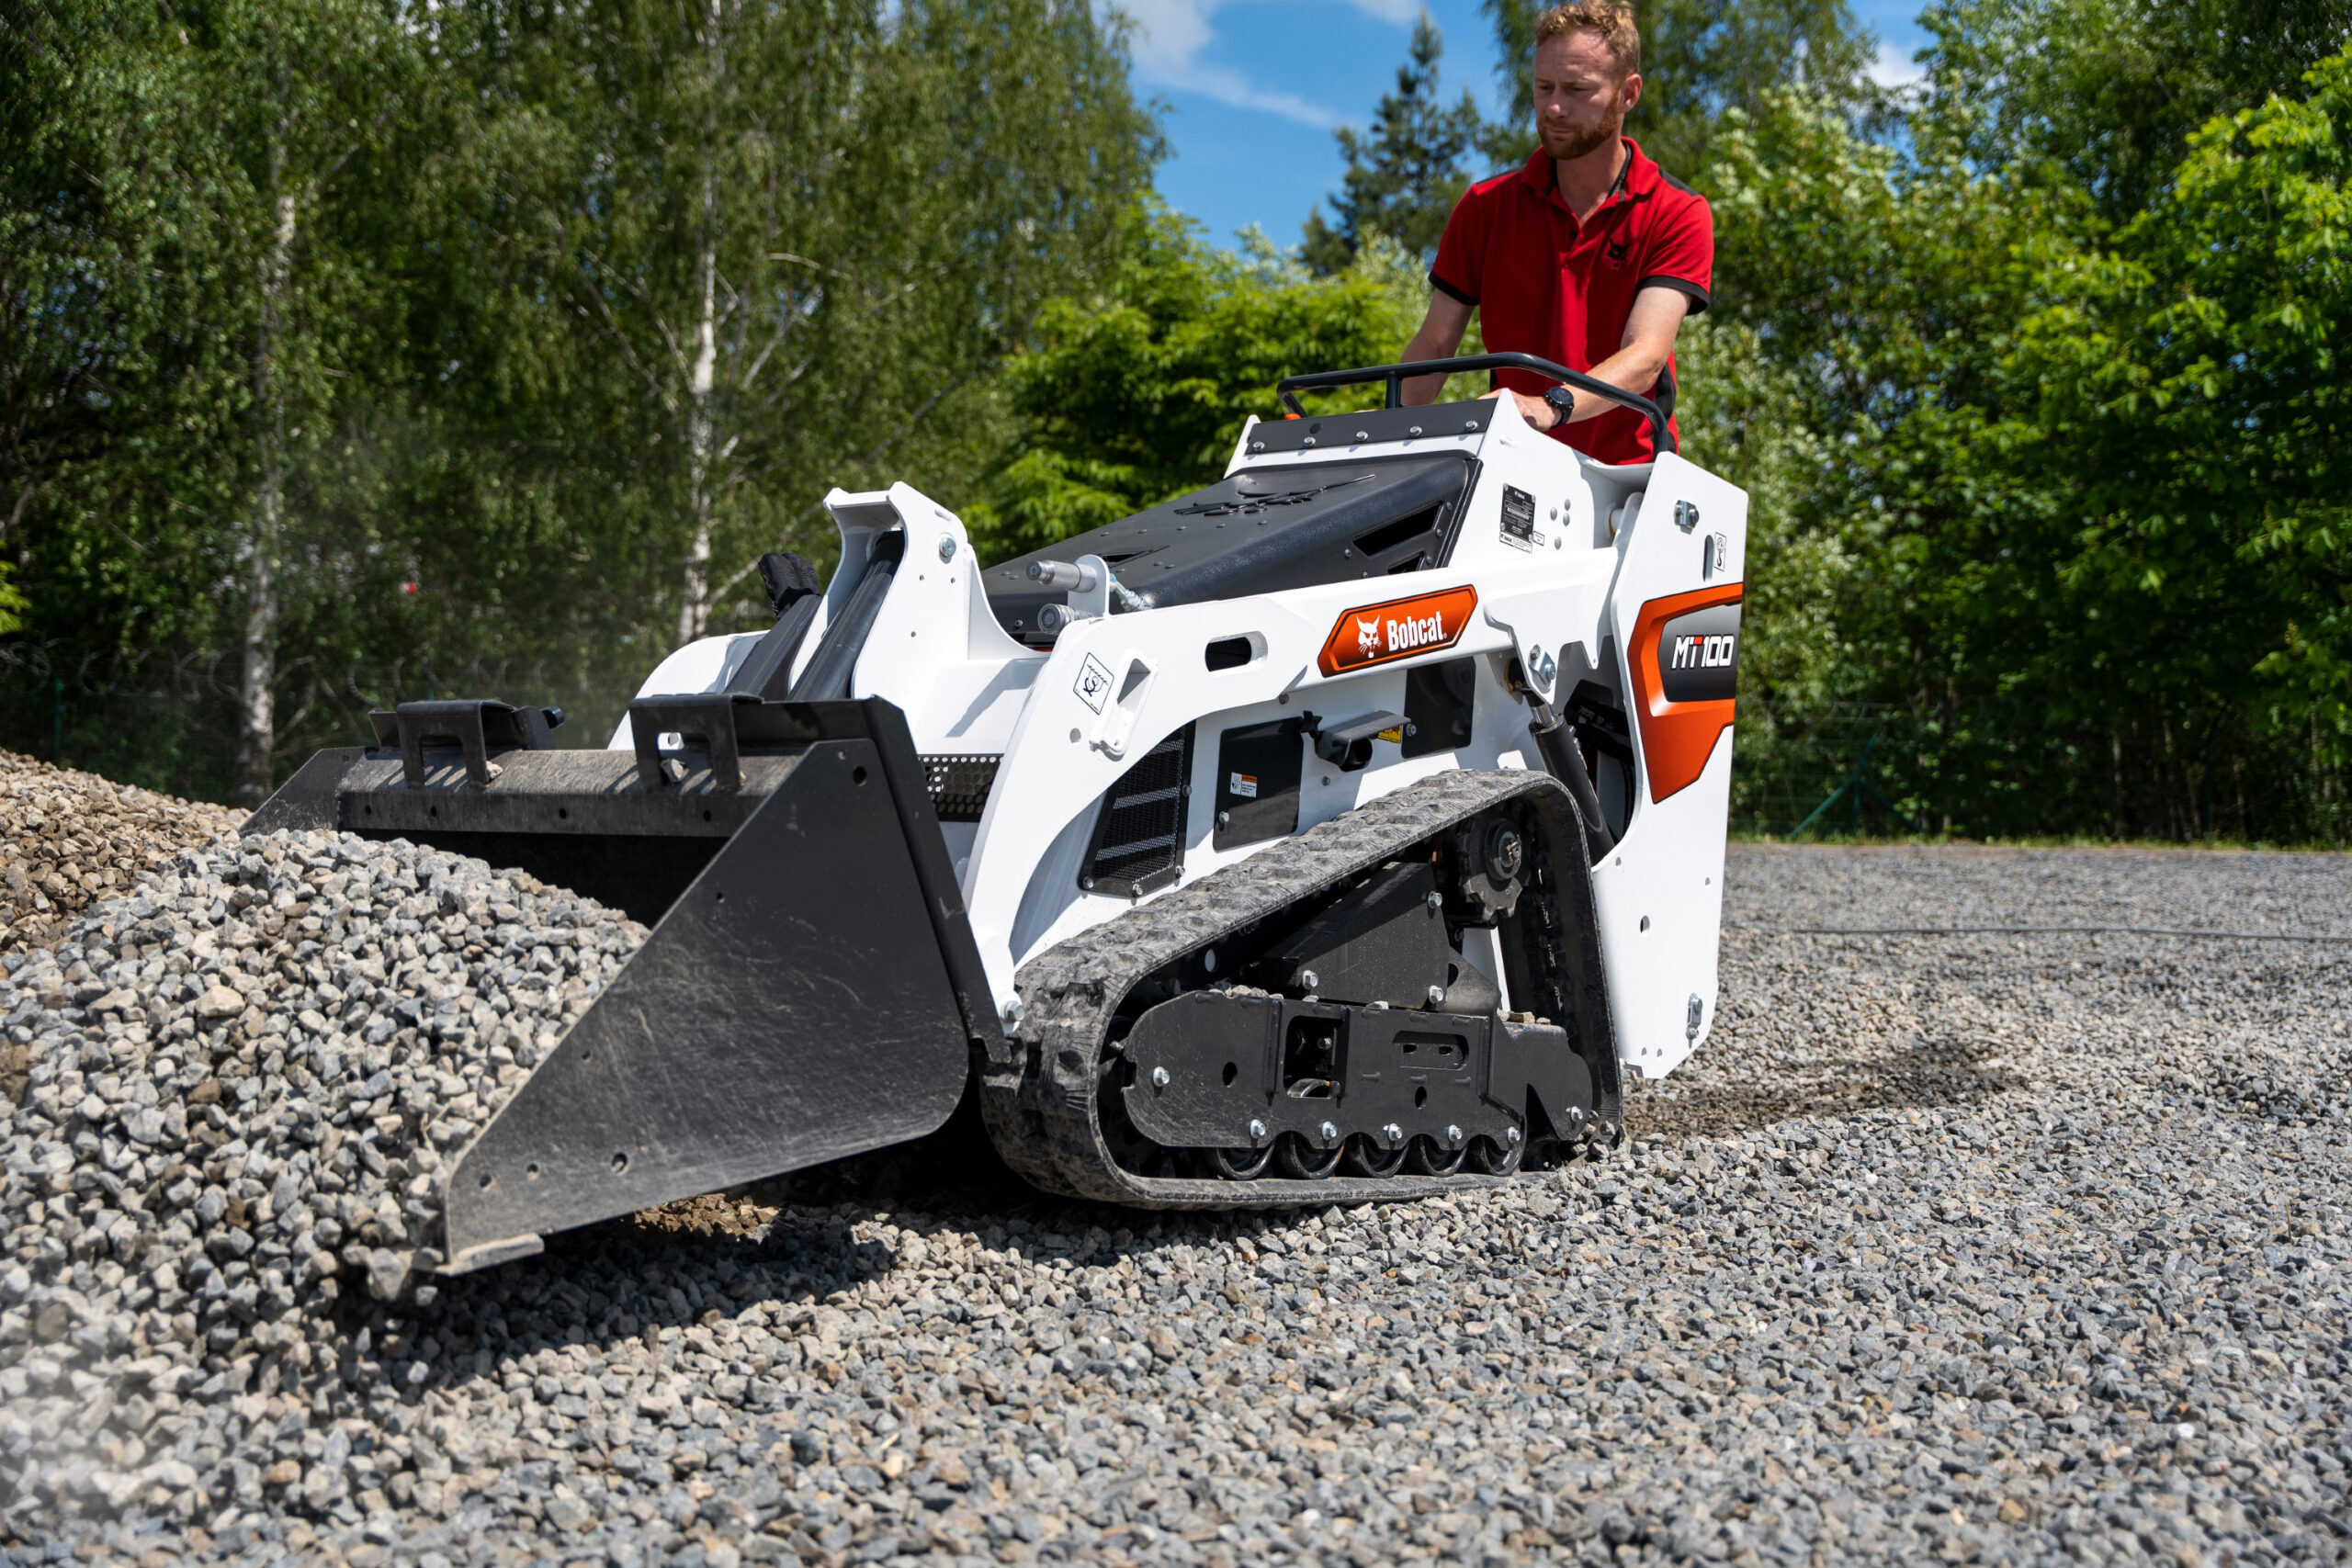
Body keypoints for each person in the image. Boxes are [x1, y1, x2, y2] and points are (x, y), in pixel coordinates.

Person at [1398, 0, 1712, 464]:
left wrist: (1550, 406)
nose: (1554, 107)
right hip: (1514, 463)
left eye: (1577, 89)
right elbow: (1435, 344)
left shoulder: (1677, 211)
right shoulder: (1485, 206)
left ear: (1628, 94)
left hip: (1630, 479)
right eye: (1543, 87)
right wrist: (1385, 429)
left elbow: (1646, 355)